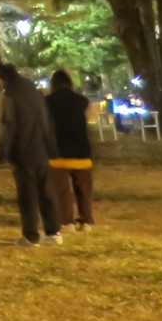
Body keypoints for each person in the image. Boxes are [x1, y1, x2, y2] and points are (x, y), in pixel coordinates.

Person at [0, 62, 63, 246]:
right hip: (42, 149)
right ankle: (54, 231)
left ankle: (31, 236)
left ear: (2, 79)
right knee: (47, 193)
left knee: (28, 196)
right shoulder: (34, 91)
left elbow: (7, 126)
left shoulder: (10, 95)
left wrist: (2, 152)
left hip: (23, 151)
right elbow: (47, 120)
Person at [45, 69, 96, 232]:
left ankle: (67, 222)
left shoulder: (46, 102)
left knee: (62, 190)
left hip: (58, 152)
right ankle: (86, 221)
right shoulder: (82, 101)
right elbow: (87, 121)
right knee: (84, 189)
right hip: (81, 151)